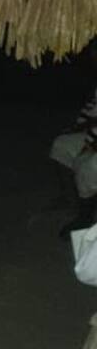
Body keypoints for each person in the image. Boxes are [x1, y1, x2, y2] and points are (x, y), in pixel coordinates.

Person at [50, 40, 97, 236]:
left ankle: (86, 217)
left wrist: (90, 144)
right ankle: (71, 201)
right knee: (61, 145)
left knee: (87, 165)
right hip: (94, 134)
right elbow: (90, 113)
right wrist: (77, 129)